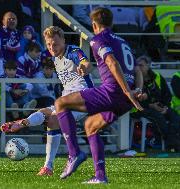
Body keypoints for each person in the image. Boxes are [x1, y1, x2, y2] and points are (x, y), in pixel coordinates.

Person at [54, 7, 143, 184]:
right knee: (91, 126)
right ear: (111, 23)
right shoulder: (123, 41)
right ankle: (100, 176)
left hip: (113, 92)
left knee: (60, 103)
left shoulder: (98, 40)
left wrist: (125, 90)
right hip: (126, 99)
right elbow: (139, 68)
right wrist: (137, 90)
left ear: (94, 24)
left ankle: (74, 153)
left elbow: (111, 61)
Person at [1, 26, 93, 176]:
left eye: (55, 44)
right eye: (49, 44)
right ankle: (22, 123)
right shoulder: (55, 58)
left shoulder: (73, 51)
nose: (52, 47)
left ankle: (49, 166)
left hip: (83, 97)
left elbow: (85, 62)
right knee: (45, 112)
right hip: (67, 99)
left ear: (63, 40)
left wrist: (85, 67)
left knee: (53, 120)